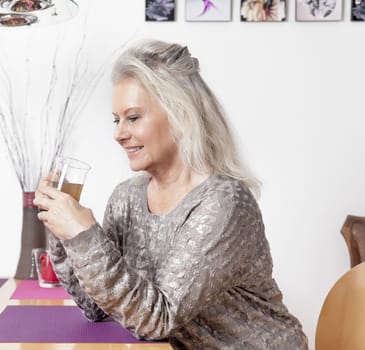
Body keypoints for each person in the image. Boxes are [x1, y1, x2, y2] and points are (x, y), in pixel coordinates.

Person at [33, 39, 308, 349]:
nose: (119, 134)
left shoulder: (224, 204)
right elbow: (99, 307)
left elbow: (157, 319)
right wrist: (64, 231)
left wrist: (84, 234)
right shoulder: (126, 199)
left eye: (133, 118)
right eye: (116, 119)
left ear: (180, 114)